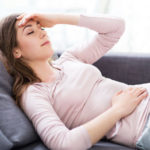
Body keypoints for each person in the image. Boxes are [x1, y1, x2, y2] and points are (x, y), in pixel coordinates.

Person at [0, 12, 149, 150]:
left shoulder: (68, 58)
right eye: (30, 32)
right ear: (15, 51)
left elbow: (116, 27)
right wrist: (118, 110)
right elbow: (64, 143)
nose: (42, 33)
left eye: (42, 28)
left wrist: (56, 19)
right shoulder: (34, 94)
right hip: (143, 126)